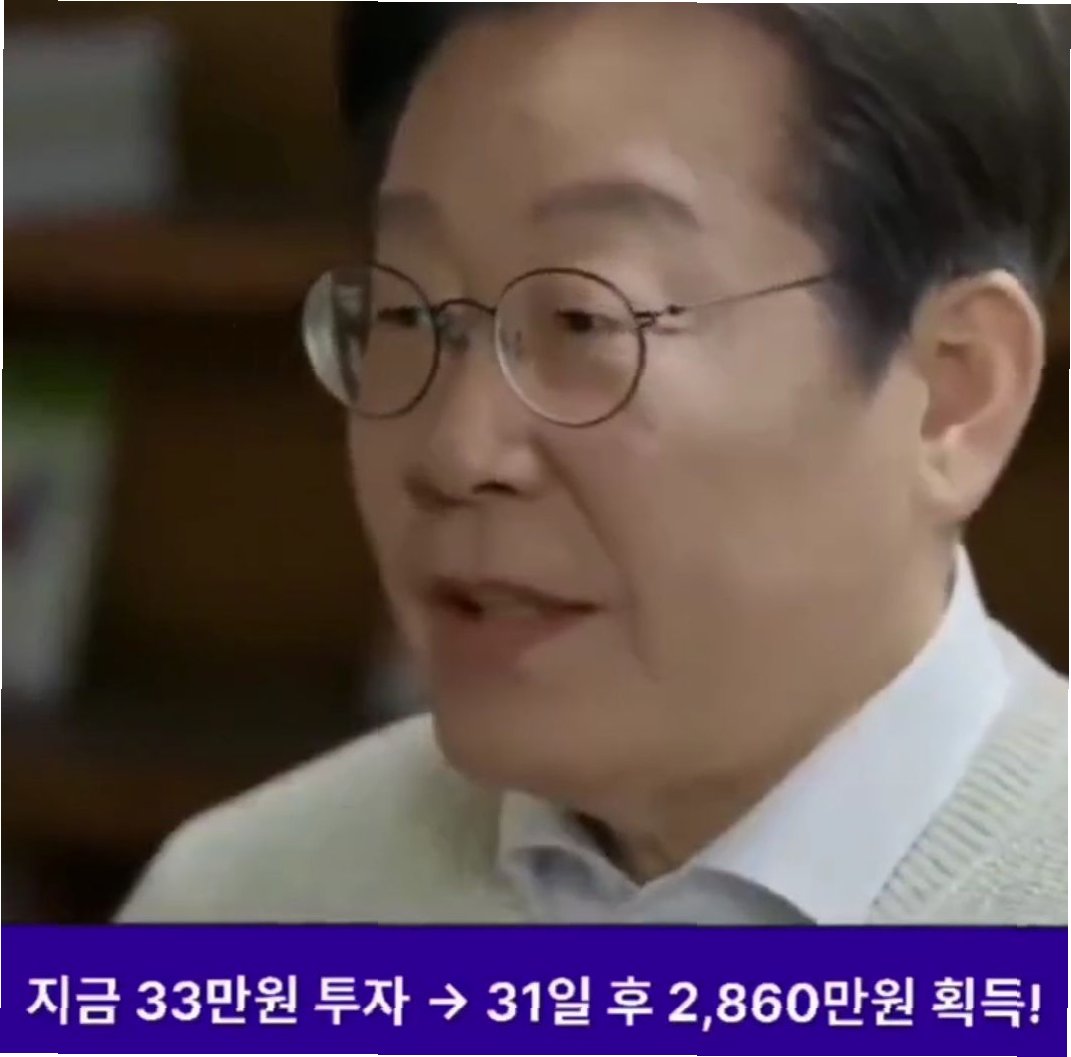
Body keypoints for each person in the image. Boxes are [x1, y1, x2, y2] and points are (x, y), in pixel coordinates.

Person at [119, 3, 1067, 924]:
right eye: (408, 313)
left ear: (952, 393)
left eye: (583, 320)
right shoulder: (237, 904)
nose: (457, 452)